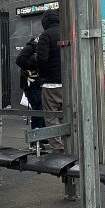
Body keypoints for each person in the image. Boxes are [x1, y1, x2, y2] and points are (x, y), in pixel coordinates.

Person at [35, 9, 63, 152]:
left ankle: (58, 148)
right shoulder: (66, 32)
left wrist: (43, 74)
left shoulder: (45, 35)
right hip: (68, 84)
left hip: (51, 84)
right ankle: (70, 145)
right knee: (67, 115)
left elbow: (42, 59)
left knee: (51, 116)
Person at [16, 35, 45, 149]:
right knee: (38, 110)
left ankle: (41, 138)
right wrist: (35, 65)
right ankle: (35, 140)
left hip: (35, 83)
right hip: (32, 84)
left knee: (40, 109)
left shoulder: (34, 47)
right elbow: (19, 60)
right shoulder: (31, 47)